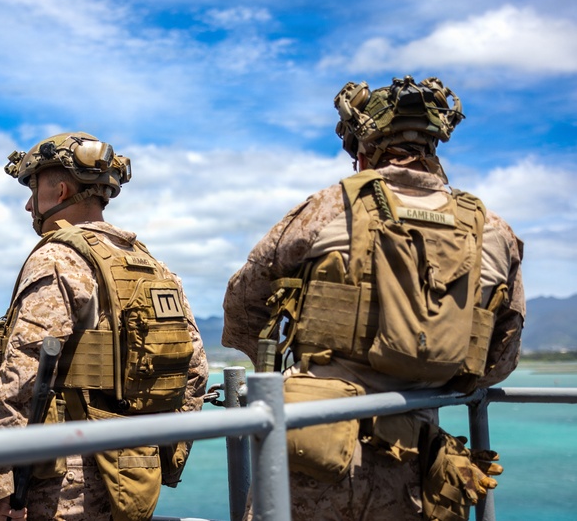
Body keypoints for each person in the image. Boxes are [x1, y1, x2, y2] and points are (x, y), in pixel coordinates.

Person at [222, 76, 524, 521]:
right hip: (421, 463)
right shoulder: (494, 232)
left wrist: (287, 371)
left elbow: (244, 300)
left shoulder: (330, 207)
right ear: (434, 148)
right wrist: (424, 375)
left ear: (363, 152)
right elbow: (500, 359)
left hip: (315, 450)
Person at [0, 132, 209, 521]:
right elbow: (194, 371)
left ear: (60, 190)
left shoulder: (58, 257)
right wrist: (159, 455)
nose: (29, 204)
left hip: (64, 484)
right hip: (133, 477)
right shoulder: (153, 266)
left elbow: (22, 372)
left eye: (32, 190)